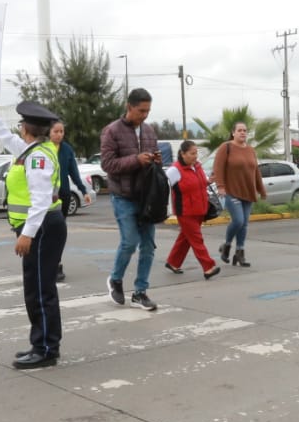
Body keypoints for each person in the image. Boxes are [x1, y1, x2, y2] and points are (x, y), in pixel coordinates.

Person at [0, 97, 69, 369]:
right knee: (35, 288)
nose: (18, 129)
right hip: (39, 227)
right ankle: (41, 343)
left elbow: (42, 200)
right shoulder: (32, 150)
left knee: (41, 290)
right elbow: (3, 137)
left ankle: (46, 349)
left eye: (20, 124)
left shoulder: (38, 158)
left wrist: (27, 234)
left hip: (43, 227)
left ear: (26, 128)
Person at [99, 88, 162, 312]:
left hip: (147, 197)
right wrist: (136, 160)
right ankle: (115, 279)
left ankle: (140, 292)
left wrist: (155, 160)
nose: (144, 115)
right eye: (141, 111)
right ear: (129, 107)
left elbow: (154, 161)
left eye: (148, 111)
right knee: (130, 241)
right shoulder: (111, 131)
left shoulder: (149, 131)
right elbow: (107, 165)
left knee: (148, 246)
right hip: (123, 196)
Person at [213, 122, 267, 267]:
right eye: (239, 130)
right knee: (238, 221)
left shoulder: (250, 150)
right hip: (231, 191)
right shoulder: (226, 147)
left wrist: (261, 190)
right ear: (233, 133)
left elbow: (256, 171)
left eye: (245, 130)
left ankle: (240, 252)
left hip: (247, 191)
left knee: (244, 225)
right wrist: (220, 186)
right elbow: (218, 168)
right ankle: (227, 246)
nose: (243, 132)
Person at [164, 140, 221, 279]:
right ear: (183, 154)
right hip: (185, 212)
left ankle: (173, 262)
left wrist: (209, 181)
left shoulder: (197, 167)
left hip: (200, 209)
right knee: (196, 239)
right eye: (192, 153)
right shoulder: (174, 170)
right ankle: (208, 267)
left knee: (185, 238)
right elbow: (162, 186)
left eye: (196, 153)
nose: (195, 156)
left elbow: (200, 183)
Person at [51, 119, 93, 284]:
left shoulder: (67, 150)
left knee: (60, 232)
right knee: (49, 231)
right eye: (56, 131)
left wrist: (84, 191)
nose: (59, 134)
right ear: (49, 132)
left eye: (62, 131)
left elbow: (74, 173)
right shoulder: (44, 149)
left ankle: (57, 264)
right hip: (47, 197)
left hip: (63, 195)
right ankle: (49, 264)